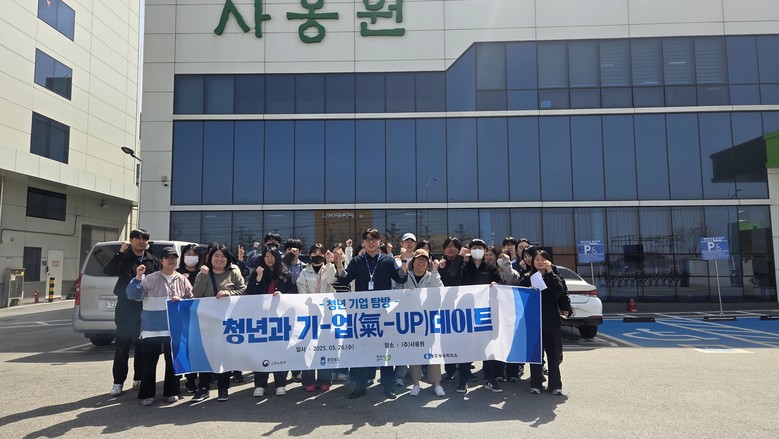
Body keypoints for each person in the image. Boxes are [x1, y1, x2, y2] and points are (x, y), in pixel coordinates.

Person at [333, 228, 410, 400]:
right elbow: (344, 279)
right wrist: (338, 263)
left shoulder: (388, 260)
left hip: (383, 313)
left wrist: (404, 261)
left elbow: (400, 278)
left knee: (385, 350)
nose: (371, 242)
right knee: (361, 350)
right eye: (367, 239)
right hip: (363, 314)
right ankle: (360, 386)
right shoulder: (357, 261)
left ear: (379, 242)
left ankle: (388, 386)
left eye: (374, 239)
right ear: (363, 243)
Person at [126, 247, 193, 406]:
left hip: (174, 329)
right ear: (161, 260)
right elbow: (132, 295)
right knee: (149, 363)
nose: (171, 260)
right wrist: (138, 277)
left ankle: (171, 391)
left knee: (172, 362)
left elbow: (191, 300)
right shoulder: (150, 278)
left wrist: (182, 300)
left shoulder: (182, 279)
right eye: (168, 258)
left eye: (174, 257)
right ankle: (147, 394)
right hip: (152, 328)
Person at [104, 228, 161, 397]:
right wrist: (120, 252)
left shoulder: (153, 260)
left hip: (146, 307)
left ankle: (139, 378)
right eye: (138, 238)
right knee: (122, 345)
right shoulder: (123, 257)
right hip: (126, 308)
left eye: (145, 239)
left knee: (143, 345)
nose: (142, 241)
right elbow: (109, 271)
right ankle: (118, 382)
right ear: (131, 240)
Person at [191, 244, 246, 402]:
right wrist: (203, 276)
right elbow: (196, 294)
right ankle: (203, 388)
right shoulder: (203, 273)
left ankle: (223, 388)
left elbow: (243, 290)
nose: (219, 259)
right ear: (210, 257)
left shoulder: (233, 272)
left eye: (223, 256)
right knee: (206, 355)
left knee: (225, 355)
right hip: (207, 322)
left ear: (227, 259)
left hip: (228, 321)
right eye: (216, 256)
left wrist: (228, 293)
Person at [518, 250, 571, 395]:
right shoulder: (527, 277)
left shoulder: (554, 276)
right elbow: (518, 296)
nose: (540, 262)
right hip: (533, 322)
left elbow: (559, 292)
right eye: (537, 259)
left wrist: (550, 272)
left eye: (543, 259)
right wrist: (528, 292)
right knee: (535, 355)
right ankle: (536, 384)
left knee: (554, 355)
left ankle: (555, 385)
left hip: (551, 321)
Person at [246, 246, 296, 397]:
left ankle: (280, 383)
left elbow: (293, 293)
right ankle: (260, 384)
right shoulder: (257, 272)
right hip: (261, 318)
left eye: (272, 256)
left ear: (277, 258)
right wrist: (259, 278)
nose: (269, 258)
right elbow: (249, 293)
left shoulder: (285, 273)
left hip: (280, 319)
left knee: (279, 351)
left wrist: (283, 295)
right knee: (261, 351)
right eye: (266, 256)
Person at [397, 249, 446, 397]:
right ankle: (416, 384)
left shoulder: (432, 276)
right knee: (414, 352)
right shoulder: (406, 277)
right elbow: (395, 292)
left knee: (432, 352)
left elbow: (440, 291)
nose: (421, 262)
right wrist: (404, 294)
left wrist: (436, 271)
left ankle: (436, 384)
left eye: (424, 260)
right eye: (419, 259)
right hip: (411, 322)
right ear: (413, 262)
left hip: (429, 320)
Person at [459, 239, 503, 394]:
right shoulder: (464, 266)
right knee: (466, 348)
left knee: (488, 348)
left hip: (485, 314)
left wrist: (496, 285)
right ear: (470, 250)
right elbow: (453, 279)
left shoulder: (490, 267)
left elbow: (500, 283)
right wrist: (460, 259)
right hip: (467, 313)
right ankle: (463, 380)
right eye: (474, 248)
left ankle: (489, 380)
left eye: (480, 248)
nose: (477, 250)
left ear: (484, 251)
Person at [297, 243, 337, 392]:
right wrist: (311, 303)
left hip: (326, 313)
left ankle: (325, 379)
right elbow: (301, 289)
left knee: (324, 346)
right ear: (310, 255)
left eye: (321, 253)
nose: (317, 255)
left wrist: (330, 263)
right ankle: (308, 381)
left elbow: (332, 281)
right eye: (314, 253)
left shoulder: (328, 268)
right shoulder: (304, 272)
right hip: (309, 312)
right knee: (308, 347)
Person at [392, 232, 418, 386]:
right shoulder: (395, 261)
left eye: (412, 241)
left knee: (415, 341)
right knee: (401, 341)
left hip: (416, 306)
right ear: (401, 243)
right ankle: (399, 375)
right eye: (406, 241)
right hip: (399, 305)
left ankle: (416, 374)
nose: (409, 244)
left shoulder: (420, 259)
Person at [176, 243, 202, 393]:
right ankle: (177, 377)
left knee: (194, 347)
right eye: (188, 254)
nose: (191, 257)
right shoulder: (177, 273)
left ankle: (191, 379)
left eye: (194, 254)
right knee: (181, 347)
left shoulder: (202, 273)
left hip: (198, 315)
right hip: (180, 316)